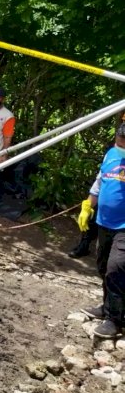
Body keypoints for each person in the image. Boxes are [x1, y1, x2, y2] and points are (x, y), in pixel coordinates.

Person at [78, 123, 125, 338]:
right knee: (103, 265)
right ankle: (107, 307)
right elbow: (100, 182)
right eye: (119, 140)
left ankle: (115, 320)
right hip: (104, 221)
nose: (120, 145)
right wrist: (87, 206)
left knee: (117, 267)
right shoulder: (111, 154)